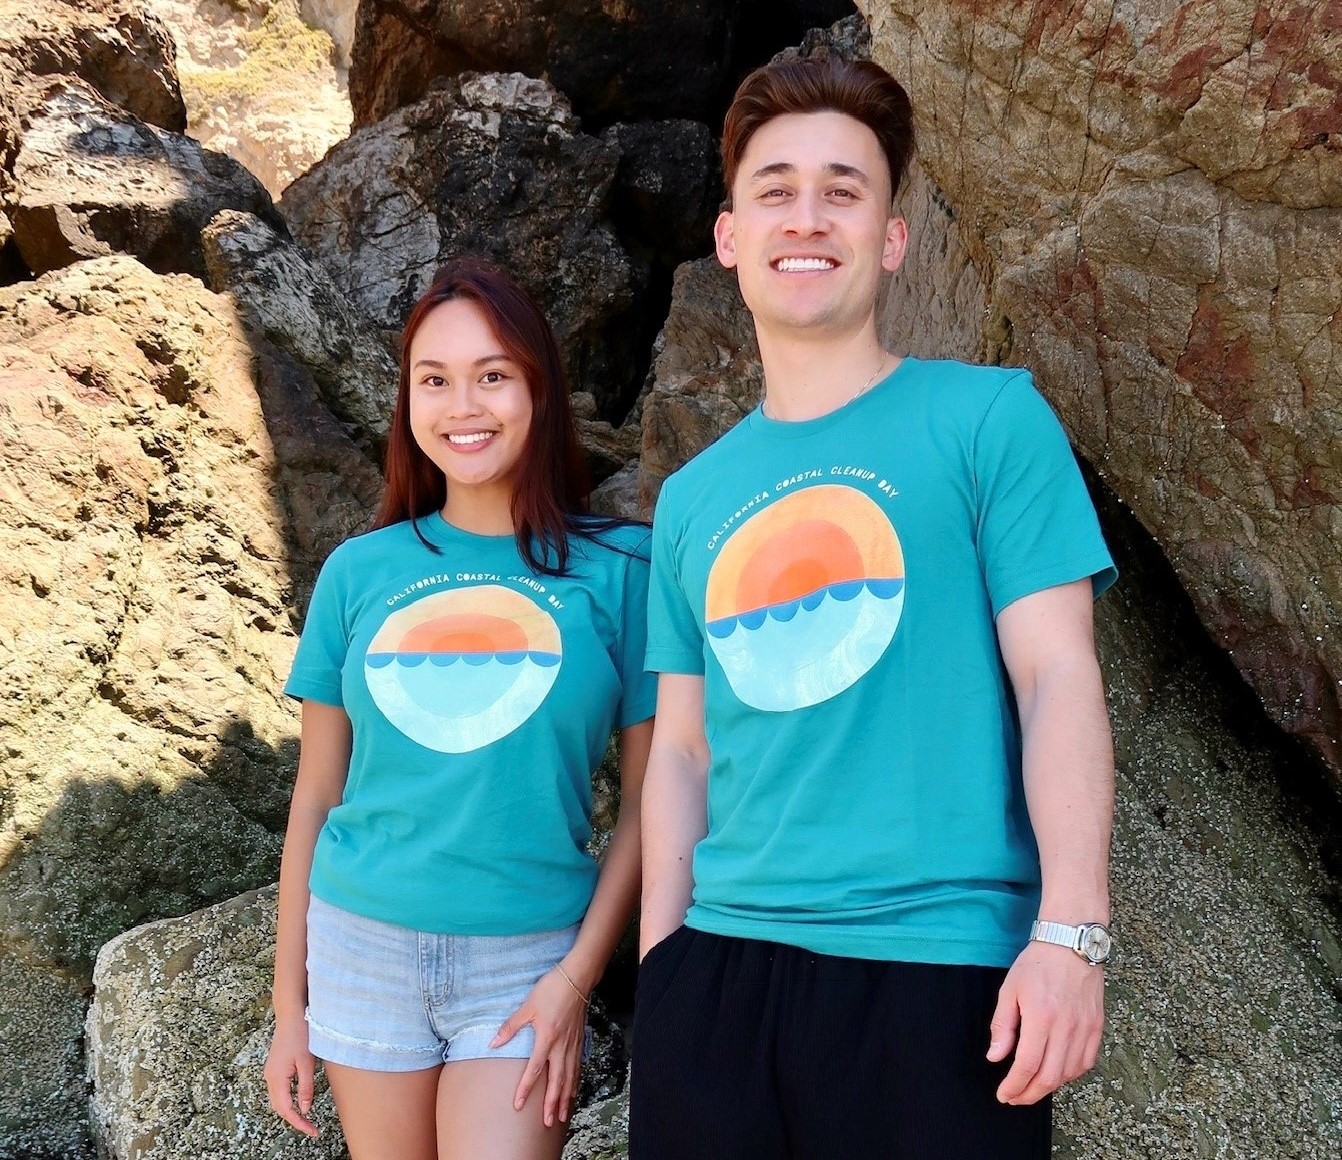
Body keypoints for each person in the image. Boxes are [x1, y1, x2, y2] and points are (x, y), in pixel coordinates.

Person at [631, 56, 1117, 1160]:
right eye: (776, 189)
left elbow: (1057, 678)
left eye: (844, 190)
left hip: (939, 977)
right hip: (716, 982)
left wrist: (1072, 934)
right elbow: (684, 753)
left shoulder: (989, 418)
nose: (808, 217)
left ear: (891, 239)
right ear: (728, 236)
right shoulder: (691, 496)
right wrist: (661, 973)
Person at [264, 258, 656, 1160]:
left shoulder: (623, 571)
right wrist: (292, 1009)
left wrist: (576, 977)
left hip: (525, 959)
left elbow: (651, 801)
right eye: (433, 380)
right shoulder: (358, 573)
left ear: (538, 390)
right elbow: (315, 803)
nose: (462, 406)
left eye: (492, 376)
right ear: (406, 401)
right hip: (362, 944)